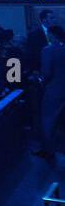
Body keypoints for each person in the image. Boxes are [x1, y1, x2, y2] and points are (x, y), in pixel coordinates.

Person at [40, 25, 65, 161]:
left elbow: (47, 73)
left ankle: (49, 151)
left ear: (51, 35)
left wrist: (40, 81)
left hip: (54, 91)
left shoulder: (48, 50)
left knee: (48, 120)